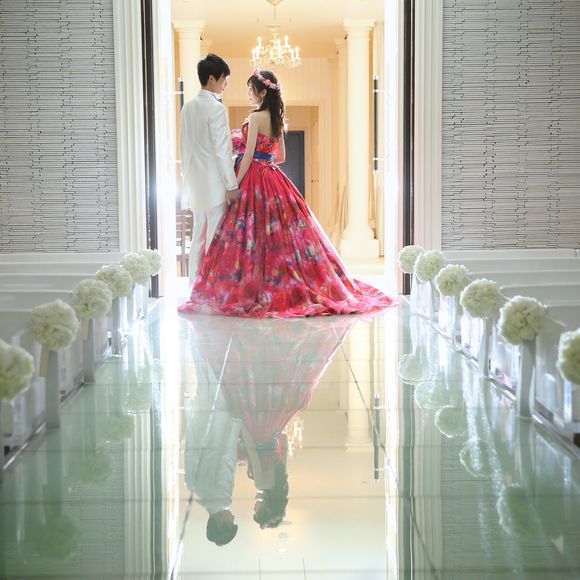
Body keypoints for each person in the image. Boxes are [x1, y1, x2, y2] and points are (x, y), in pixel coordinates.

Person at [179, 68, 396, 318]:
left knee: (249, 233)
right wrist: (263, 156)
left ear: (261, 92)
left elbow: (247, 157)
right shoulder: (276, 118)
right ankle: (283, 279)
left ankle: (248, 285)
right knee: (281, 233)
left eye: (250, 90)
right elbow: (280, 156)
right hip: (273, 175)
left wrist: (234, 184)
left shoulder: (255, 117)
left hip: (253, 177)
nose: (248, 94)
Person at [179, 54, 241, 287]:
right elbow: (222, 150)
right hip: (215, 184)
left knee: (198, 237)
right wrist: (232, 185)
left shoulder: (187, 107)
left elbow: (184, 147)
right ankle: (213, 289)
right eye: (224, 79)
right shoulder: (216, 108)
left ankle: (194, 288)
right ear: (212, 79)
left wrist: (187, 180)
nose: (226, 84)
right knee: (215, 238)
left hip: (196, 182)